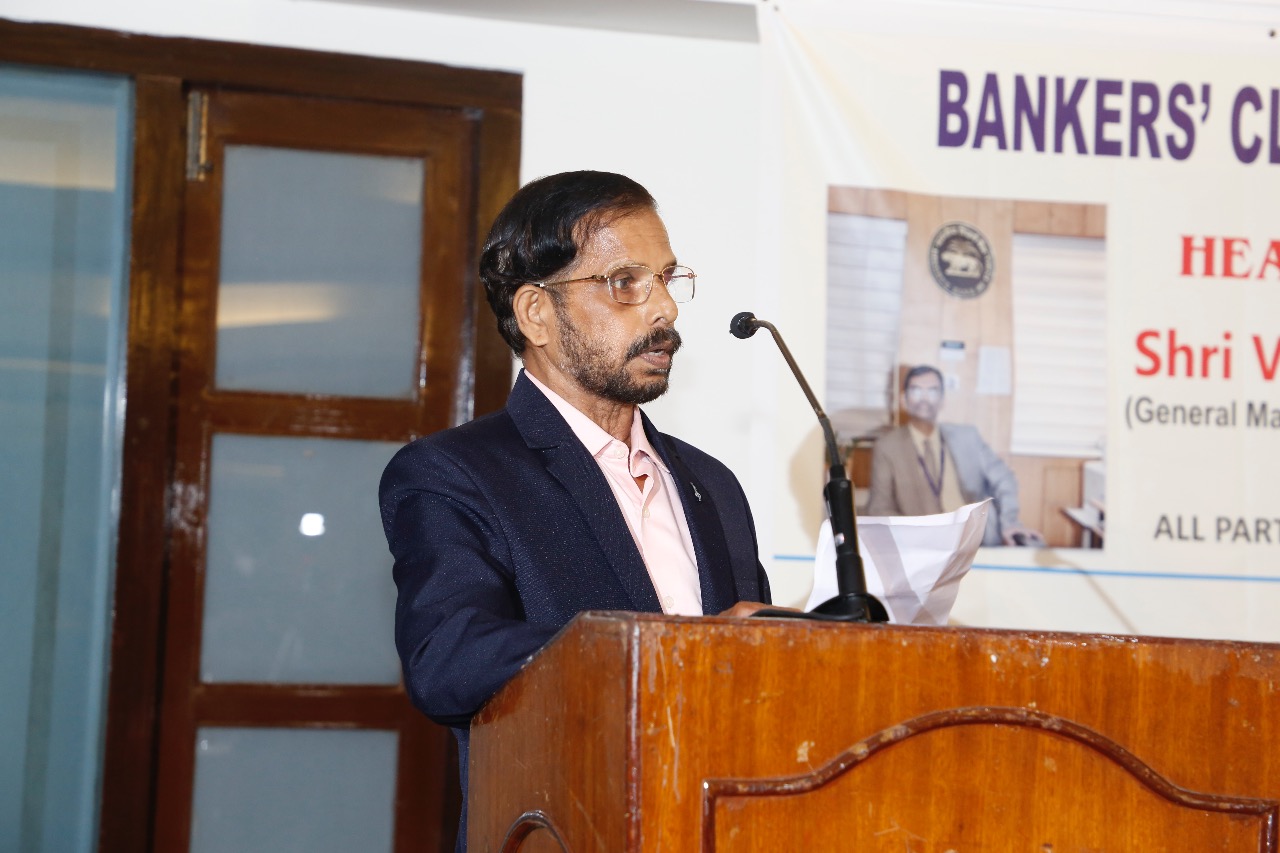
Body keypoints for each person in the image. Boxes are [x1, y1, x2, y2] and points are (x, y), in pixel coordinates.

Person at [378, 171, 771, 849]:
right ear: (537, 314)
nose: (665, 310)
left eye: (667, 279)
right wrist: (671, 651)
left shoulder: (713, 484)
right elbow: (447, 660)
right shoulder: (457, 473)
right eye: (625, 282)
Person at [865, 364, 1041, 547]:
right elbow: (879, 508)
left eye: (932, 391)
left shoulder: (968, 437)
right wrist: (918, 535)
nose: (924, 398)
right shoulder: (887, 447)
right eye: (916, 390)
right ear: (903, 400)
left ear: (943, 400)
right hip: (923, 546)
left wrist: (1010, 523)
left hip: (976, 540)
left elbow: (1004, 478)